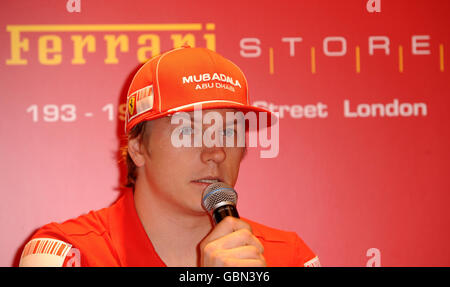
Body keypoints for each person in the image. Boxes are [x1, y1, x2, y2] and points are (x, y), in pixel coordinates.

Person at [18, 46, 320, 267]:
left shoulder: (289, 257)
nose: (215, 151)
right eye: (188, 131)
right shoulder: (66, 254)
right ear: (137, 148)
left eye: (229, 132)